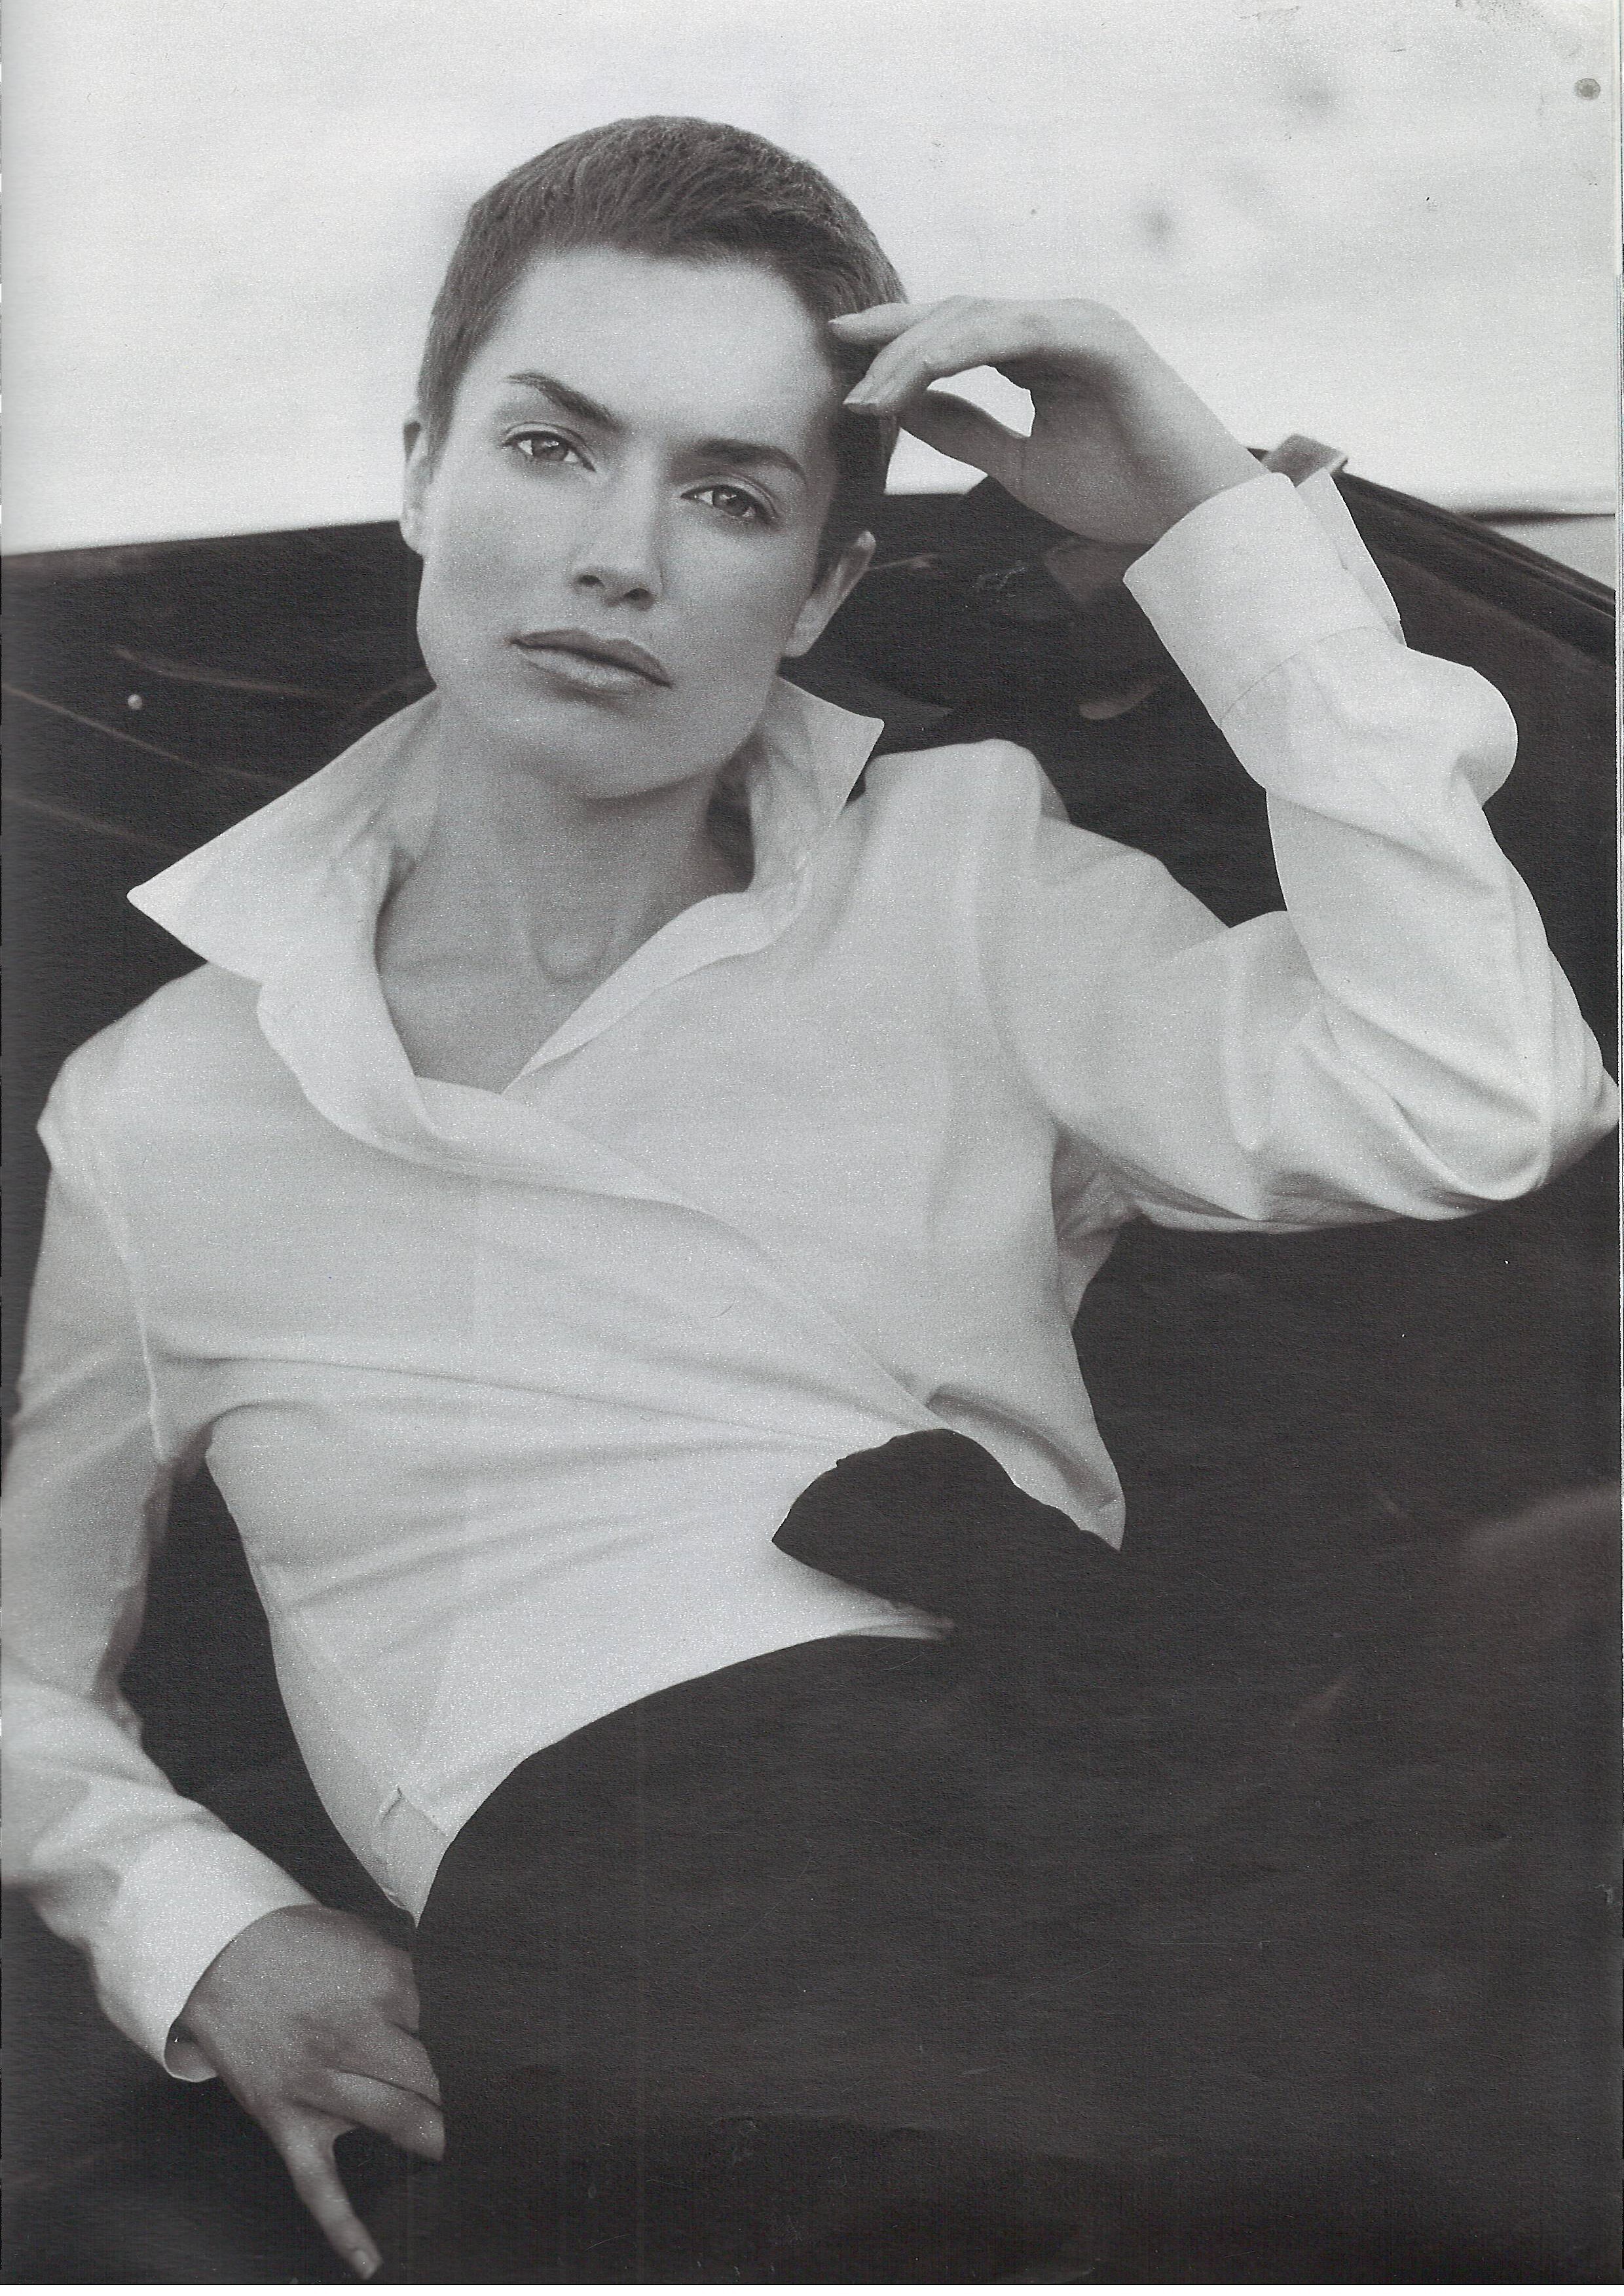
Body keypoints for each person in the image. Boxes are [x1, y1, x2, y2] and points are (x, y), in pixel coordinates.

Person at [4, 114, 1615, 2282]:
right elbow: (20, 1662)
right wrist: (203, 1933)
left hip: (1094, 1807)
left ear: (829, 583)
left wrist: (1211, 529)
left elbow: (1478, 1094)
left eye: (732, 495)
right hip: (643, 1940)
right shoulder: (158, 1102)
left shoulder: (965, 873)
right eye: (552, 447)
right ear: (420, 470)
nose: (620, 558)